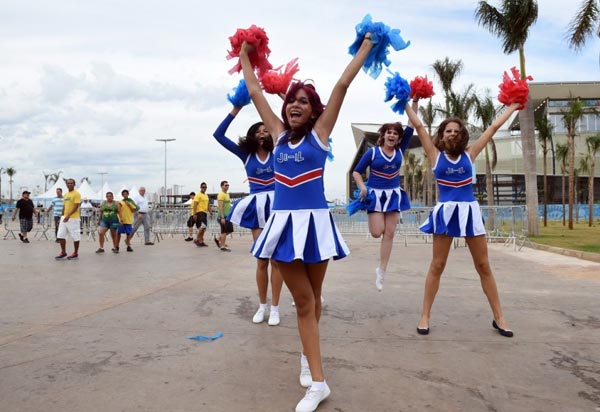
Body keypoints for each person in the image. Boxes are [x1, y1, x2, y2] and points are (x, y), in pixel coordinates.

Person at [240, 32, 373, 412]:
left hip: (315, 227)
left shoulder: (320, 135)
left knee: (313, 301)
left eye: (303, 101)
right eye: (291, 101)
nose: (295, 105)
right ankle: (319, 383)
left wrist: (366, 45)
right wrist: (245, 56)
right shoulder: (278, 137)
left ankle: (306, 356)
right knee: (302, 302)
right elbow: (254, 92)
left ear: (314, 111)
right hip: (282, 227)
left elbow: (342, 84)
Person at [404, 99, 520, 338]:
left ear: (463, 135)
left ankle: (500, 317)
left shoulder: (470, 154)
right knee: (437, 265)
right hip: (445, 213)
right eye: (448, 131)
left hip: (470, 212)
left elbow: (492, 129)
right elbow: (418, 126)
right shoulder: (434, 155)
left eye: (457, 131)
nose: (453, 134)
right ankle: (425, 315)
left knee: (484, 266)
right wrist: (405, 99)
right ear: (442, 135)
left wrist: (513, 107)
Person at [213, 106, 283, 326]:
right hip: (258, 207)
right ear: (253, 136)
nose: (262, 133)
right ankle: (262, 305)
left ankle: (275, 308)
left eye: (266, 129)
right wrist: (236, 108)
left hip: (279, 205)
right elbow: (218, 135)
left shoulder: (279, 150)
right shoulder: (246, 155)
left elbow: (290, 130)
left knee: (278, 261)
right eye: (258, 131)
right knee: (262, 260)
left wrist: (282, 101)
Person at [352, 103, 417, 291]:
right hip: (375, 196)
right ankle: (380, 267)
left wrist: (414, 101)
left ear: (398, 138)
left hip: (394, 195)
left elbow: (411, 123)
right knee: (376, 232)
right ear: (383, 135)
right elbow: (357, 172)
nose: (391, 135)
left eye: (395, 133)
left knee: (390, 233)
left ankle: (382, 271)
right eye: (388, 132)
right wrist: (363, 187)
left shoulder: (399, 150)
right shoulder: (373, 152)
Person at [55, 179, 81, 260]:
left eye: (71, 183)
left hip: (73, 218)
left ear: (74, 184)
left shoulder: (76, 194)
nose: (69, 184)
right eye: (68, 183)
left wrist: (68, 215)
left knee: (75, 236)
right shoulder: (66, 194)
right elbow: (64, 206)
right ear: (66, 184)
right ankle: (63, 252)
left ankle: (75, 253)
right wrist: (61, 216)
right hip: (64, 217)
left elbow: (76, 206)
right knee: (60, 235)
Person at [214, 180, 233, 252]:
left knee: (230, 230)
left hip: (228, 216)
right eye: (225, 185)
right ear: (222, 186)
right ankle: (222, 246)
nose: (227, 186)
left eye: (228, 185)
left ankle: (219, 239)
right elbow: (220, 207)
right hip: (223, 216)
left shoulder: (227, 194)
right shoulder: (221, 194)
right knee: (224, 231)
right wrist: (222, 217)